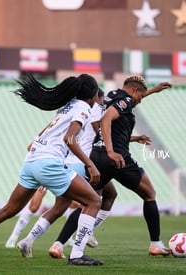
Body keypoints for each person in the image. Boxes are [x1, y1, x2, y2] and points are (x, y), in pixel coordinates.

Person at [0, 74, 104, 266]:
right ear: (93, 95)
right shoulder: (83, 107)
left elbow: (41, 134)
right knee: (94, 201)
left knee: (9, 209)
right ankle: (77, 255)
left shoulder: (66, 107)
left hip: (32, 161)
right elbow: (69, 139)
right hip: (49, 162)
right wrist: (90, 164)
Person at [49, 76, 173, 258]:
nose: (138, 101)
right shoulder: (127, 100)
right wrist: (111, 151)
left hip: (96, 156)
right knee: (149, 194)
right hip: (117, 158)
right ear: (135, 91)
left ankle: (58, 244)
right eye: (140, 96)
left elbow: (125, 104)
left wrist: (153, 90)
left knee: (88, 201)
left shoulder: (111, 96)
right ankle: (155, 244)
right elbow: (106, 120)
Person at [15, 89, 117, 259]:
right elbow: (100, 132)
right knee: (96, 200)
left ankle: (29, 240)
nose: (101, 102)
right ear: (96, 98)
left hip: (66, 162)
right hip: (83, 162)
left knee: (59, 207)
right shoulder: (94, 110)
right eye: (101, 99)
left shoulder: (73, 110)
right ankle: (70, 239)